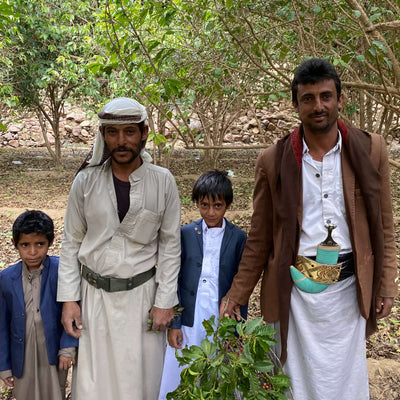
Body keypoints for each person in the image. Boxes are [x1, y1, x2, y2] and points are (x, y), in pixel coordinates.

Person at [219, 58, 398, 400]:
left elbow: (384, 226)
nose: (318, 106)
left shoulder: (369, 150)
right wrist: (236, 295)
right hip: (295, 293)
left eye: (326, 96)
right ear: (295, 105)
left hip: (348, 291)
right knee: (294, 384)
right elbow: (259, 238)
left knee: (344, 383)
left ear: (340, 99)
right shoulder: (273, 160)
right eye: (308, 98)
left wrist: (386, 283)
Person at [57, 97, 181, 400]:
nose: (121, 140)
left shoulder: (163, 181)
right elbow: (71, 241)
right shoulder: (85, 182)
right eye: (113, 133)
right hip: (94, 299)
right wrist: (69, 300)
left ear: (144, 133)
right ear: (103, 135)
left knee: (142, 384)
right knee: (93, 386)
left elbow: (170, 245)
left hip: (143, 300)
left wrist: (165, 300)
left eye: (129, 131)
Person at [158, 170, 247, 399]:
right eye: (204, 205)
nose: (210, 212)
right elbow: (174, 278)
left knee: (219, 369)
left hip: (221, 316)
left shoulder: (238, 238)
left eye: (217, 206)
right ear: (196, 202)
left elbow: (242, 283)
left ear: (227, 205)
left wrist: (238, 329)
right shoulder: (186, 234)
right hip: (189, 317)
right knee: (182, 370)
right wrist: (175, 323)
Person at [0, 210, 77, 400]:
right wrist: (4, 366)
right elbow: (1, 326)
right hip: (21, 353)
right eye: (25, 245)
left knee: (54, 392)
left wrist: (68, 348)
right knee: (25, 393)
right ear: (15, 244)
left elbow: (73, 310)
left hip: (52, 350)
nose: (33, 252)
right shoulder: (6, 279)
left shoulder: (62, 272)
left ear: (50, 243)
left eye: (39, 244)